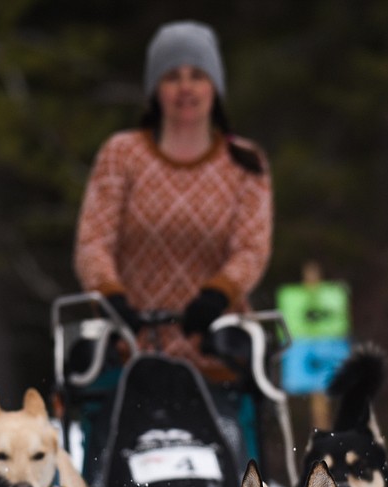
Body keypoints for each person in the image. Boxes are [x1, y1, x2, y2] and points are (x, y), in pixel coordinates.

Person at [73, 20, 273, 374]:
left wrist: (218, 293)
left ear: (214, 85)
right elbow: (93, 242)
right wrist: (110, 295)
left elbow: (252, 249)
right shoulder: (122, 154)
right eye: (172, 76)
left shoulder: (245, 162)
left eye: (197, 75)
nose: (185, 88)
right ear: (155, 89)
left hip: (216, 355)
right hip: (130, 353)